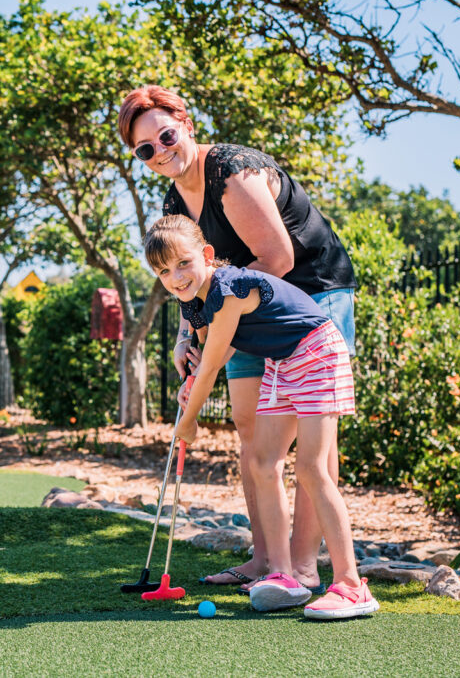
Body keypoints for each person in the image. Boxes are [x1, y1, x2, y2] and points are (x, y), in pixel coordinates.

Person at [119, 85, 358, 591]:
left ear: (184, 123)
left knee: (314, 439)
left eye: (165, 135)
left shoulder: (232, 172)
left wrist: (210, 338)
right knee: (251, 430)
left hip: (311, 295)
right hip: (243, 308)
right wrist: (188, 333)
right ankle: (266, 560)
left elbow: (277, 260)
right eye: (145, 149)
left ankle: (304, 566)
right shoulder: (172, 198)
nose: (160, 151)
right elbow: (193, 274)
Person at [145, 214, 377, 618]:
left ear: (207, 254)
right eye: (165, 271)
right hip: (282, 362)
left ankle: (352, 586)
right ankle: (284, 575)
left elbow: (215, 361)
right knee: (262, 462)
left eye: (183, 263)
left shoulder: (228, 288)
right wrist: (191, 382)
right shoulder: (198, 304)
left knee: (311, 468)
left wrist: (189, 419)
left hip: (316, 352)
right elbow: (208, 358)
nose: (177, 276)